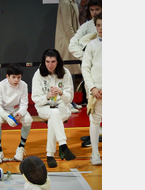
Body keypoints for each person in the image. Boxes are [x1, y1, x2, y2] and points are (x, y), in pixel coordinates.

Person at [31, 49, 76, 168]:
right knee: (53, 113)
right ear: (44, 61)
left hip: (62, 106)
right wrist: (47, 97)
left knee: (54, 115)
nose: (50, 65)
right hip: (44, 107)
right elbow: (35, 98)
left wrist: (61, 92)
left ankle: (50, 155)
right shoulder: (38, 74)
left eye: (53, 61)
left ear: (58, 61)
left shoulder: (65, 73)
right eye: (47, 61)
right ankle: (63, 146)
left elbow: (69, 98)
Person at [0, 63, 33, 164]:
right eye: (13, 77)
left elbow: (24, 104)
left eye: (18, 77)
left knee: (28, 120)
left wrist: (20, 113)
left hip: (16, 110)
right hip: (3, 110)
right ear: (7, 76)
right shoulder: (1, 85)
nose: (16, 80)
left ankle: (21, 148)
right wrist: (7, 116)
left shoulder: (23, 85)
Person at [81, 13, 102, 165]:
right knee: (95, 121)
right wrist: (93, 88)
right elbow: (85, 68)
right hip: (97, 92)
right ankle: (95, 153)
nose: (101, 28)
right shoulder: (91, 45)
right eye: (99, 25)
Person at [55, 0, 82, 113]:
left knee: (70, 73)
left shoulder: (73, 2)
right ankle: (65, 103)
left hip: (71, 42)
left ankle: (69, 100)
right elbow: (67, 26)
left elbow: (76, 23)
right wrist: (77, 41)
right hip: (67, 43)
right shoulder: (65, 2)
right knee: (64, 72)